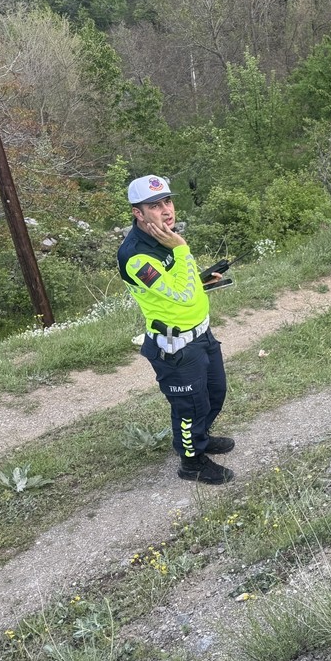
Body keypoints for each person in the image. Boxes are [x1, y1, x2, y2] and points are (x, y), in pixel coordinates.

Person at [117, 175, 234, 485]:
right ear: (137, 213)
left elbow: (185, 282)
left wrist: (204, 279)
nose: (166, 210)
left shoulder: (164, 237)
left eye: (167, 201)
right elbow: (180, 294)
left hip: (202, 334)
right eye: (154, 206)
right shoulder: (134, 255)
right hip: (176, 347)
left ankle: (198, 440)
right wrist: (182, 248)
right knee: (190, 407)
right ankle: (191, 462)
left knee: (214, 394)